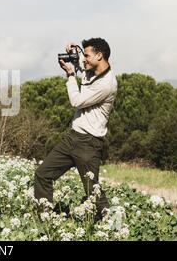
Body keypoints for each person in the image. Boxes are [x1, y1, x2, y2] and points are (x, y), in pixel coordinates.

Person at [34, 38, 118, 220]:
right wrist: (76, 50)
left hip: (89, 143)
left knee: (92, 191)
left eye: (87, 56)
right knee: (42, 174)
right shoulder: (91, 65)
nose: (84, 60)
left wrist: (70, 75)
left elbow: (77, 101)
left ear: (99, 55)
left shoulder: (107, 84)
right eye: (85, 56)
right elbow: (82, 60)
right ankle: (45, 222)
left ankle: (113, 227)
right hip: (72, 137)